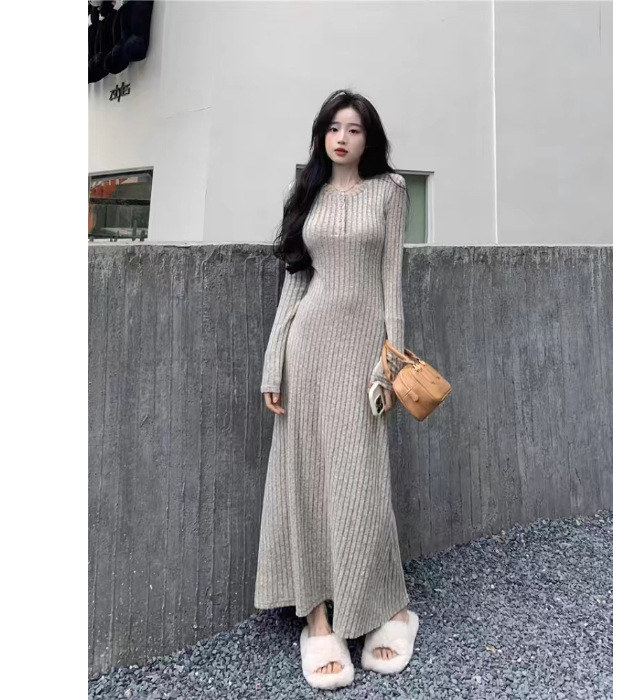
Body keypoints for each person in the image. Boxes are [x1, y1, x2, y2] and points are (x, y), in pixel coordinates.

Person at [255, 89, 419, 689]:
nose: (342, 138)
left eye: (353, 129)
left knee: (362, 480)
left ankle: (389, 608)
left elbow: (393, 286)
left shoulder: (390, 191)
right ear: (322, 135)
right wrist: (274, 362)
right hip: (307, 349)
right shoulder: (307, 191)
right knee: (306, 476)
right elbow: (295, 284)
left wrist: (389, 367)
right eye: (333, 128)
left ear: (368, 138)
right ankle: (318, 619)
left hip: (362, 355)